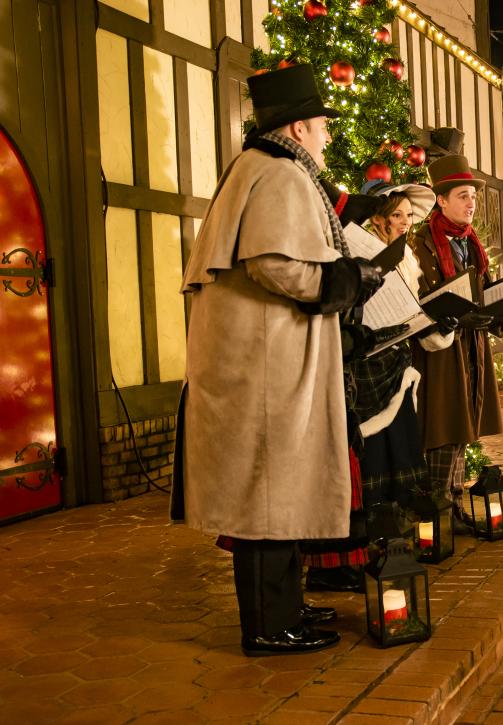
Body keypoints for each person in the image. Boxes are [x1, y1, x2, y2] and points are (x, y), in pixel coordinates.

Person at [174, 65, 384, 656]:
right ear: (297, 128)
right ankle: (270, 624)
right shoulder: (281, 173)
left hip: (267, 358)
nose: (327, 136)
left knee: (279, 487)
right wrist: (349, 279)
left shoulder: (262, 167)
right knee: (267, 494)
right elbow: (275, 264)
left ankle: (286, 606)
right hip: (267, 366)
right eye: (321, 126)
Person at [302, 180, 451, 593]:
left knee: (395, 460)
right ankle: (353, 555)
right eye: (396, 215)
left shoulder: (407, 260)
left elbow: (410, 315)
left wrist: (440, 321)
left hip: (396, 369)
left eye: (409, 216)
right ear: (379, 220)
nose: (405, 223)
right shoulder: (355, 250)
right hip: (361, 373)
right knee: (369, 465)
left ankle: (387, 546)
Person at [410, 154, 503, 533]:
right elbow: (422, 302)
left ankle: (454, 505)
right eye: (462, 196)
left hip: (470, 347)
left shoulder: (470, 244)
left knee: (462, 428)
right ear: (441, 200)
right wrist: (458, 319)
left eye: (473, 196)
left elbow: (481, 295)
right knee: (443, 427)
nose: (471, 203)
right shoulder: (423, 243)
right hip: (439, 353)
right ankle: (436, 514)